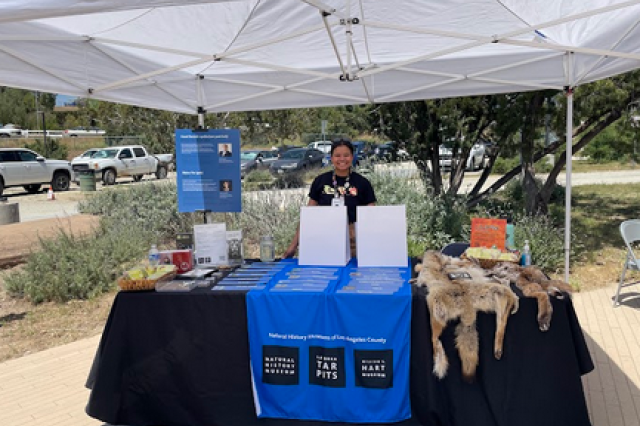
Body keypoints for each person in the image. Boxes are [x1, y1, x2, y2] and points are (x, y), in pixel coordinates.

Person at [283, 138, 376, 258]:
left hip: (354, 242)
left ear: (352, 157)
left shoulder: (363, 183)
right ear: (331, 158)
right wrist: (293, 246)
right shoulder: (320, 181)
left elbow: (373, 217)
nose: (342, 159)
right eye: (337, 155)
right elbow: (308, 217)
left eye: (346, 155)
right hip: (325, 240)